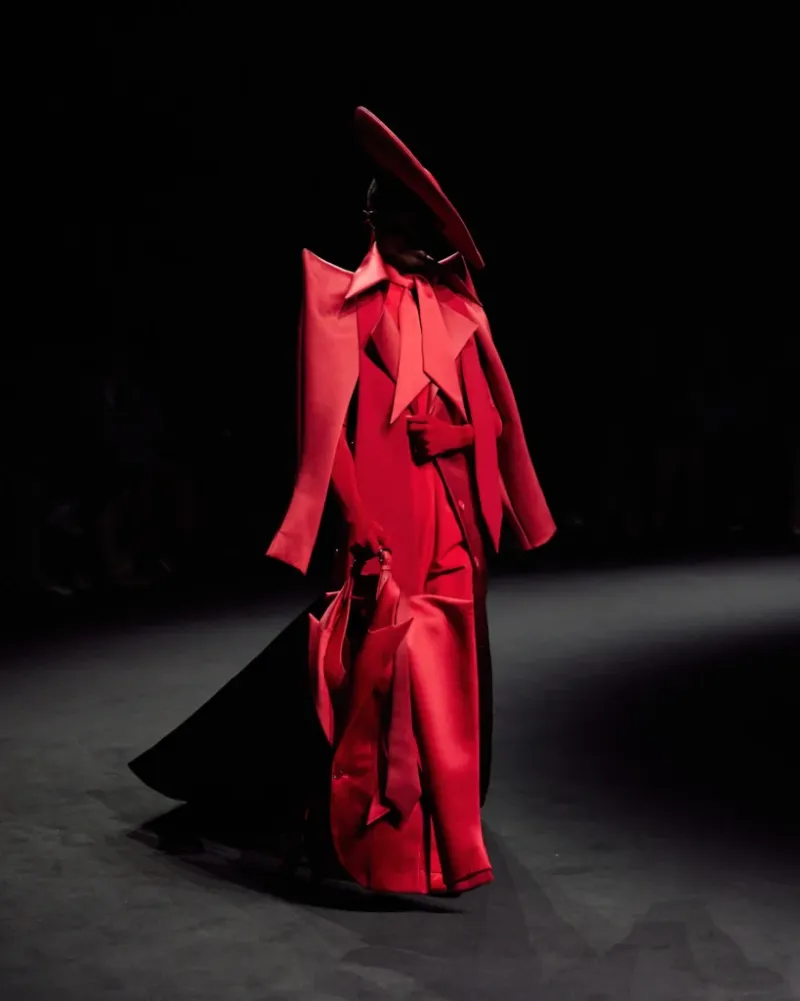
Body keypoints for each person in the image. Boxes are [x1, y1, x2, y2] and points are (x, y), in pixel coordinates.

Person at [129, 107, 555, 897]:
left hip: (450, 513)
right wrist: (355, 515)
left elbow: (491, 422)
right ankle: (377, 847)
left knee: (447, 669)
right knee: (378, 671)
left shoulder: (461, 309)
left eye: (425, 228)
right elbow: (325, 428)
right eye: (402, 224)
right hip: (388, 512)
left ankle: (446, 841)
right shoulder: (342, 301)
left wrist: (456, 439)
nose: (420, 241)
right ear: (376, 223)